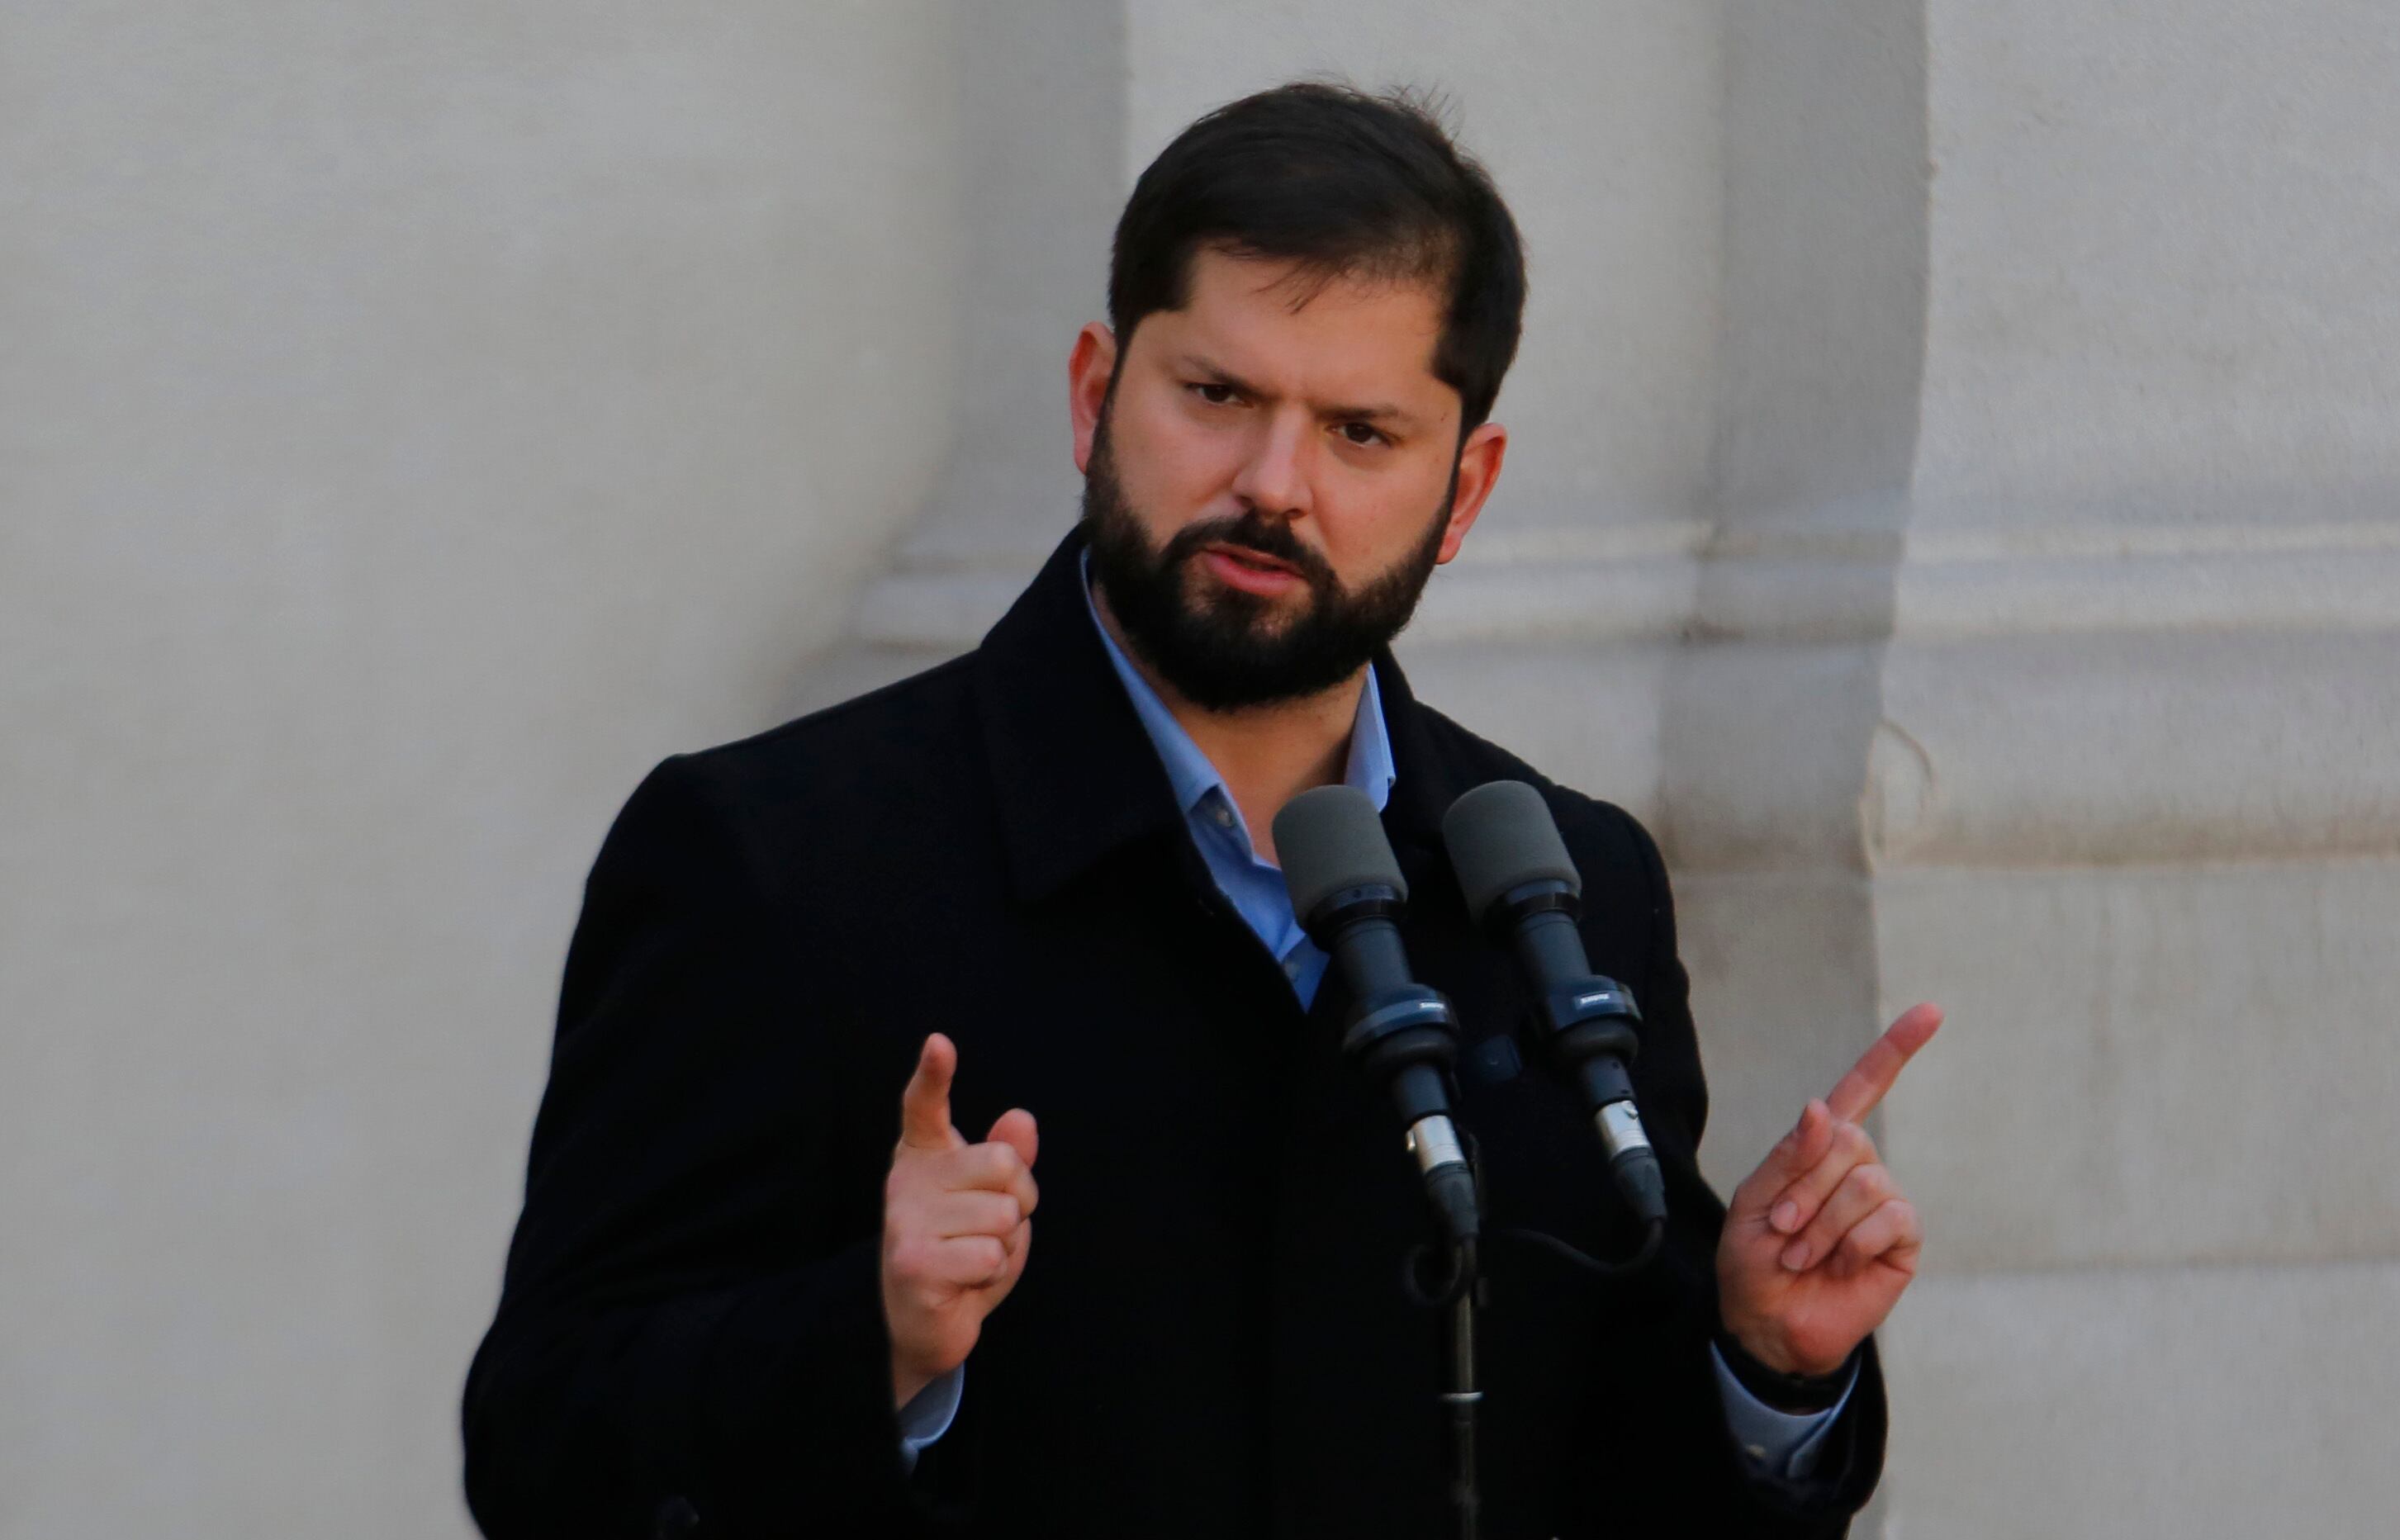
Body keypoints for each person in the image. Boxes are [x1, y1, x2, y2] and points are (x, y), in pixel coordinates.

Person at [462, 82, 1938, 1539]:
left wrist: (1764, 1365)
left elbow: (1606, 1475)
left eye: (1361, 432)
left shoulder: (1561, 882)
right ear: (1096, 393)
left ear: (1464, 486)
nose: (1272, 485)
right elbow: (543, 1447)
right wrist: (872, 1338)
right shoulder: (769, 856)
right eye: (1217, 396)